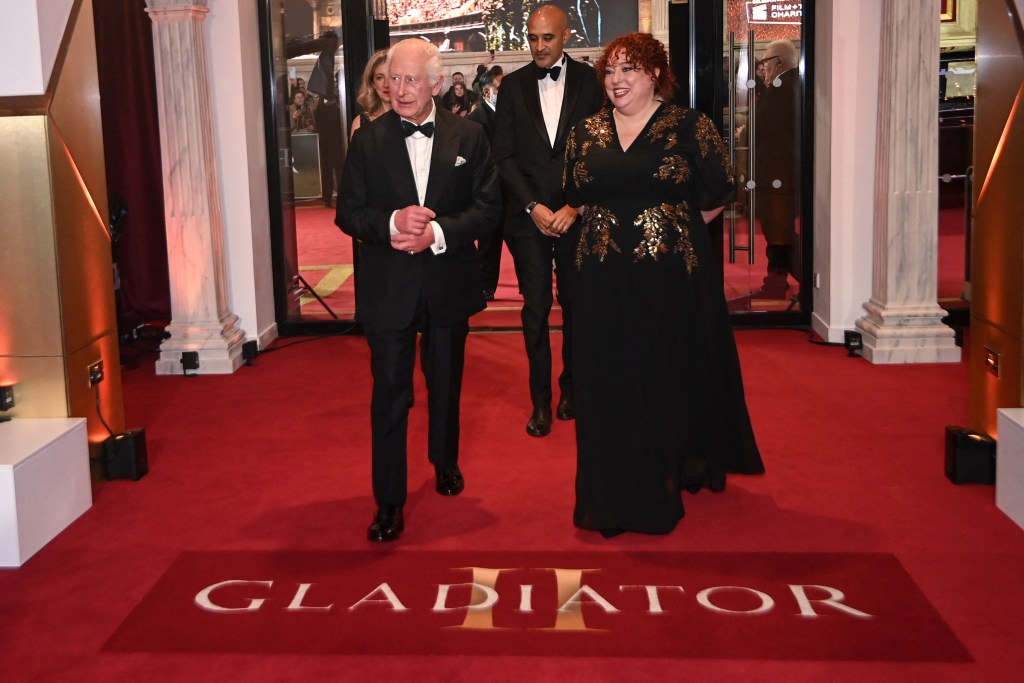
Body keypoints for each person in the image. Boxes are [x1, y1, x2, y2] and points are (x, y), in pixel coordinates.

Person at [563, 32, 764, 537]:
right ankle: (616, 486)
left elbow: (719, 191)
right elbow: (576, 194)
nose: (616, 80)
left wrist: (671, 228)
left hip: (671, 280)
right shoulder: (584, 131)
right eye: (609, 71)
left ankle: (671, 467)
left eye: (628, 69)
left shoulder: (690, 125)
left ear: (654, 74)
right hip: (603, 278)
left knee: (664, 372)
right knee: (608, 378)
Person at [336, 39, 501, 542]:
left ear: (434, 82)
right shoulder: (367, 139)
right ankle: (388, 500)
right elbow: (348, 213)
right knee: (389, 393)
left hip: (447, 282)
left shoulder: (470, 136)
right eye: (392, 79)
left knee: (446, 381)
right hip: (390, 288)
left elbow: (489, 207)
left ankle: (444, 460)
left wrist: (438, 232)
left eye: (410, 80)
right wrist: (390, 221)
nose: (399, 90)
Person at [492, 3, 602, 438]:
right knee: (535, 310)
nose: (538, 46)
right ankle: (539, 400)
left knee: (577, 308)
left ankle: (570, 388)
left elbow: (600, 152)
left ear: (566, 36)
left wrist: (575, 206)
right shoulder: (512, 86)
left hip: (577, 216)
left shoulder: (592, 83)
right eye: (533, 38)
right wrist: (531, 206)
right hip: (529, 220)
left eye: (547, 38)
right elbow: (502, 155)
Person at [752, 39, 801, 299]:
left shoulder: (782, 87)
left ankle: (777, 281)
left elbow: (763, 127)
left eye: (765, 63)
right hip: (785, 167)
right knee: (780, 229)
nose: (763, 69)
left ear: (779, 62)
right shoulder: (796, 83)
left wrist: (744, 131)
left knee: (778, 230)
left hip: (777, 169)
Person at [468, 67, 504, 299]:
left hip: (511, 191)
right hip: (488, 191)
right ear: (487, 91)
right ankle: (484, 286)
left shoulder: (509, 115)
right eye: (501, 88)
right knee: (488, 243)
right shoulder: (475, 121)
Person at [349, 49, 391, 139]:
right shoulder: (361, 123)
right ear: (372, 83)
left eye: (391, 77)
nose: (386, 84)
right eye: (380, 77)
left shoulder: (412, 121)